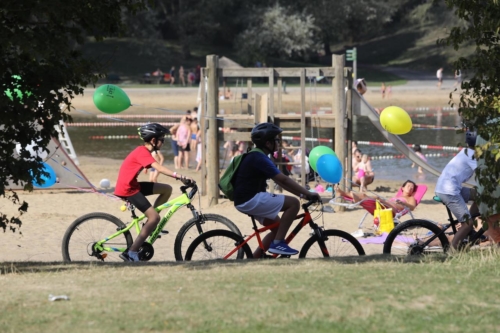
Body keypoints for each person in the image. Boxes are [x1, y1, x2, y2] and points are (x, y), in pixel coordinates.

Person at [232, 123, 321, 257]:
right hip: (251, 199)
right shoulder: (260, 158)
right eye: (276, 140)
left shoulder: (257, 155)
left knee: (278, 228)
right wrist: (308, 193)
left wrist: (303, 194)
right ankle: (278, 243)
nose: (279, 142)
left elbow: (281, 182)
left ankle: (254, 259)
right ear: (268, 143)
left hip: (245, 200)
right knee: (294, 204)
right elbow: (284, 179)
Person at [114, 123, 192, 262]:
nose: (163, 142)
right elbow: (159, 169)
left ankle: (149, 225)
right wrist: (180, 176)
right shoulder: (142, 151)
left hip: (133, 185)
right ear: (153, 140)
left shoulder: (144, 152)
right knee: (154, 218)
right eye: (162, 139)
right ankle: (131, 252)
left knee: (167, 189)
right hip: (128, 188)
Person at [435, 130, 478, 249]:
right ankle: (452, 251)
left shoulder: (466, 151)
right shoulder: (472, 155)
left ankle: (469, 231)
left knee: (481, 196)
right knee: (467, 223)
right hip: (450, 191)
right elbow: (485, 174)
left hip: (450, 188)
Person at [336, 180, 418, 212]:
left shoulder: (411, 198)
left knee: (377, 199)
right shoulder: (397, 196)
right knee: (365, 195)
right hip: (386, 205)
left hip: (394, 210)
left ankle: (348, 195)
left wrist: (403, 203)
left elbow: (412, 207)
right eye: (408, 186)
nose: (410, 188)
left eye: (412, 187)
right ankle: (345, 193)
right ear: (402, 188)